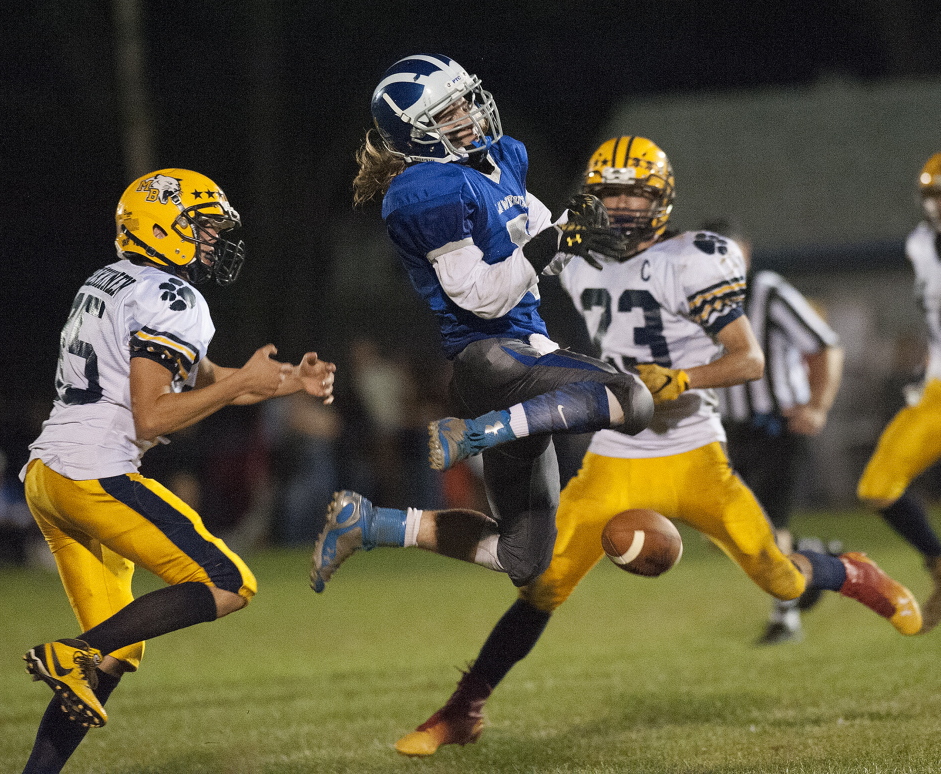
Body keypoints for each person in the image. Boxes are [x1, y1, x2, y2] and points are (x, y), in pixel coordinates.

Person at [391, 137, 923, 757]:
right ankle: (463, 710)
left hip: (695, 450)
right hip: (618, 453)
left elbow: (748, 359)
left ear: (660, 199)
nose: (618, 207)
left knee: (779, 579)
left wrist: (684, 379)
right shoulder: (579, 257)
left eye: (632, 194)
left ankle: (854, 572)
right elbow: (509, 268)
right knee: (541, 587)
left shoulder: (694, 259)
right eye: (608, 193)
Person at [19, 169, 335, 773]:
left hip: (49, 478)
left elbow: (198, 376)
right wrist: (243, 380)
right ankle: (73, 652)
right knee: (228, 582)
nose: (213, 239)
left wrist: (284, 380)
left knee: (118, 646)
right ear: (161, 224)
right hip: (95, 476)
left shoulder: (112, 280)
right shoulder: (174, 296)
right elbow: (152, 414)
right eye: (203, 225)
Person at [309, 54, 652, 595]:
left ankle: (374, 524)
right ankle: (476, 433)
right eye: (449, 111)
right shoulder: (425, 191)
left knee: (525, 558)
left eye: (466, 100)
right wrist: (555, 241)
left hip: (517, 365)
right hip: (492, 360)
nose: (468, 114)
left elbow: (542, 241)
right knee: (632, 399)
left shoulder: (496, 161)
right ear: (416, 133)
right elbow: (482, 297)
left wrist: (585, 229)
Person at [707, 219, 846, 645]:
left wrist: (818, 406)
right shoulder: (698, 299)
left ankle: (785, 621)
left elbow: (825, 344)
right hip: (729, 429)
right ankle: (818, 559)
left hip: (776, 425)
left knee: (769, 524)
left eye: (727, 251)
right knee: (727, 535)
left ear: (745, 253)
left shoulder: (767, 290)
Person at [857, 151, 941, 634]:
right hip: (937, 393)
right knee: (877, 487)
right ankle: (938, 563)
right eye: (935, 197)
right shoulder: (920, 244)